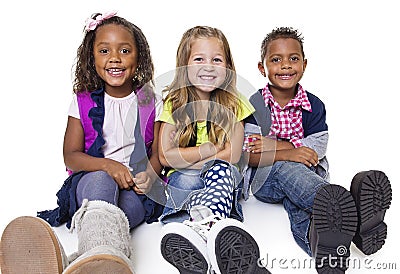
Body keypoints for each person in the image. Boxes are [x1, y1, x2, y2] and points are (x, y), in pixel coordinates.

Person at [0, 12, 165, 274]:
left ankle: (76, 262)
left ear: (139, 56)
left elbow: (158, 152)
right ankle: (106, 263)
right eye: (104, 51)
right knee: (102, 182)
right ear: (92, 58)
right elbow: (71, 155)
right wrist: (109, 166)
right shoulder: (82, 101)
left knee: (130, 210)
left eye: (124, 50)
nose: (115, 58)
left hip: (136, 186)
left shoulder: (152, 101)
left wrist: (150, 175)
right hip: (92, 179)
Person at [244, 26, 392, 273]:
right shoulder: (255, 104)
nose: (286, 66)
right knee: (284, 169)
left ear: (304, 64)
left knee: (300, 207)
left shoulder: (313, 104)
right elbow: (251, 153)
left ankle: (327, 246)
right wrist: (289, 152)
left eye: (293, 59)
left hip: (310, 174)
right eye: (276, 59)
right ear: (262, 68)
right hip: (265, 180)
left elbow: (317, 147)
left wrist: (274, 146)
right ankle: (352, 211)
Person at [158, 26, 271, 274]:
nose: (208, 67)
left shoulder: (234, 101)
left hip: (220, 177)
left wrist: (187, 156)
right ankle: (206, 245)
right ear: (184, 65)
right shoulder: (175, 102)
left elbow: (232, 156)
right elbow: (165, 156)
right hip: (184, 181)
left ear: (227, 66)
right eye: (199, 59)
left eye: (216, 60)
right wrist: (209, 150)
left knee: (223, 171)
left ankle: (208, 237)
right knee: (187, 180)